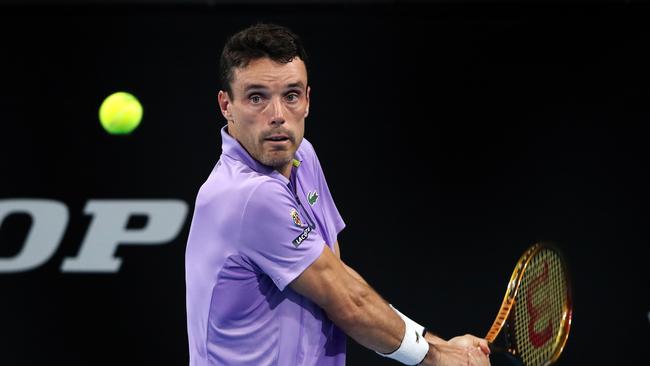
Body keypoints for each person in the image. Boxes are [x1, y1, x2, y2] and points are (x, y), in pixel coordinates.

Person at [185, 23, 491, 366]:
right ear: (226, 105)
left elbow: (339, 278)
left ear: (307, 101)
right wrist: (437, 358)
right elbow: (348, 301)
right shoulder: (246, 196)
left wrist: (439, 345)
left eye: (291, 95)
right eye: (256, 97)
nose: (277, 117)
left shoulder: (303, 156)